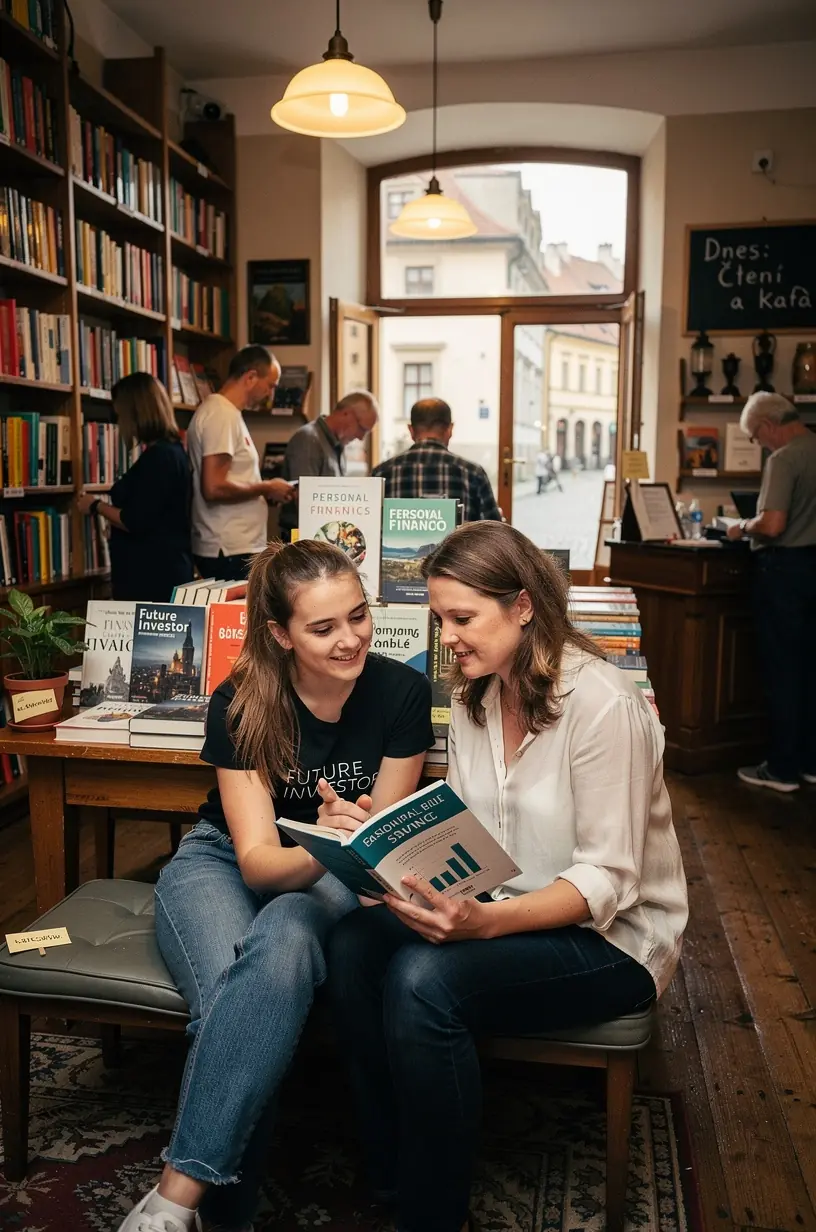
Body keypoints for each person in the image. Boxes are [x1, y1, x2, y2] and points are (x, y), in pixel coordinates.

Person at [327, 520, 688, 1232]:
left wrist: (484, 923)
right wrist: (382, 837)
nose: (449, 637)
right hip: (503, 903)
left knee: (424, 984)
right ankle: (395, 1169)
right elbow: (475, 838)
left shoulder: (602, 702)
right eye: (440, 620)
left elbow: (608, 880)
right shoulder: (476, 696)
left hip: (613, 937)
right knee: (350, 948)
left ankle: (433, 1213)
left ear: (523, 606)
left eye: (463, 618)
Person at [119, 539, 434, 1232]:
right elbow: (259, 860)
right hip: (224, 860)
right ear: (280, 634)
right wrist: (326, 839)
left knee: (282, 942)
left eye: (358, 616)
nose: (350, 639)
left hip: (340, 872)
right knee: (230, 1001)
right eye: (323, 628)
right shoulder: (242, 700)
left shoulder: (403, 692)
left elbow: (377, 847)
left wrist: (341, 843)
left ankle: (175, 1206)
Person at [726, 392, 816, 791]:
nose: (760, 445)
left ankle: (781, 769)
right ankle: (811, 762)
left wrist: (742, 526)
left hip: (785, 572)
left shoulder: (784, 458)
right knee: (811, 668)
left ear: (767, 425)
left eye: (755, 437)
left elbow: (774, 523)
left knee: (784, 669)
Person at [75, 372, 192, 601]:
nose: (119, 423)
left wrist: (95, 505)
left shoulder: (159, 458)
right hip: (163, 569)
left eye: (120, 415)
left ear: (135, 413)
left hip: (151, 577)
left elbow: (136, 520)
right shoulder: (173, 451)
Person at [186, 345, 296, 581]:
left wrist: (266, 491)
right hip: (228, 547)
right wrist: (266, 487)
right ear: (251, 377)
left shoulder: (228, 414)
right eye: (270, 385)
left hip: (235, 545)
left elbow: (232, 480)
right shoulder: (221, 415)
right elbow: (214, 487)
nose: (271, 395)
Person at [373, 398, 502, 522]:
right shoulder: (473, 473)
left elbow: (370, 529)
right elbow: (494, 530)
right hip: (459, 545)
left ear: (411, 430)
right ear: (450, 429)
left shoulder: (381, 474)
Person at [279, 391, 379, 541]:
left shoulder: (338, 445)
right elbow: (305, 499)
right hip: (305, 541)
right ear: (346, 414)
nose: (361, 437)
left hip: (325, 538)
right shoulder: (308, 439)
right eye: (362, 428)